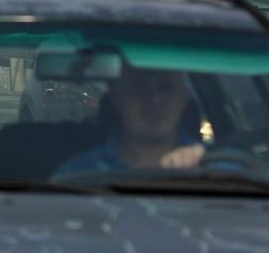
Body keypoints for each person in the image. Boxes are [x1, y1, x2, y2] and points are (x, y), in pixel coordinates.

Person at [52, 64, 206, 176]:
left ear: (184, 99)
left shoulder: (211, 169)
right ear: (116, 95)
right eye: (140, 86)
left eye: (166, 88)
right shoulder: (78, 174)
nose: (153, 99)